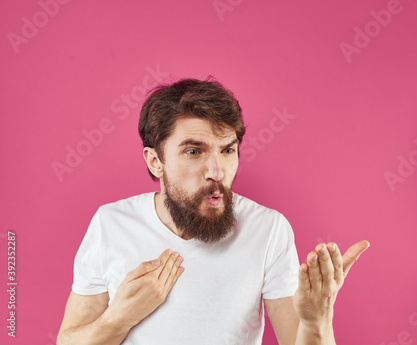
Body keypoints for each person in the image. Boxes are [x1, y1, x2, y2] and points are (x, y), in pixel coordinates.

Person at [57, 78, 370, 345]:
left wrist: (318, 323)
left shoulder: (268, 230)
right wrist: (117, 320)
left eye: (227, 150)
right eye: (194, 151)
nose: (217, 171)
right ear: (155, 161)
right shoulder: (111, 224)